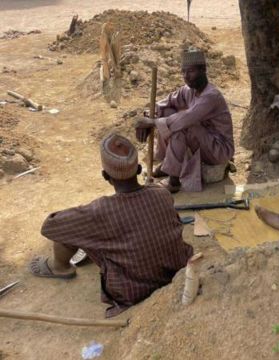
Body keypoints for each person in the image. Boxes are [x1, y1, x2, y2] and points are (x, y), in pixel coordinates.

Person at [29, 134, 193, 318]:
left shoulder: (99, 210)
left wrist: (83, 218)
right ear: (138, 169)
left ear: (105, 176)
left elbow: (50, 226)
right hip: (176, 270)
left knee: (70, 230)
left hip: (133, 290)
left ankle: (61, 268)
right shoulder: (161, 193)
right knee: (106, 230)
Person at [135, 47, 235, 193]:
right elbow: (164, 104)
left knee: (183, 126)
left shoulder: (211, 96)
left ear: (203, 70)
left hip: (219, 149)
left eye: (191, 71)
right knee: (167, 112)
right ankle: (165, 165)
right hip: (203, 140)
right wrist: (148, 117)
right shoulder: (188, 90)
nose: (186, 76)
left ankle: (174, 180)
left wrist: (152, 123)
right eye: (183, 72)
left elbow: (186, 119)